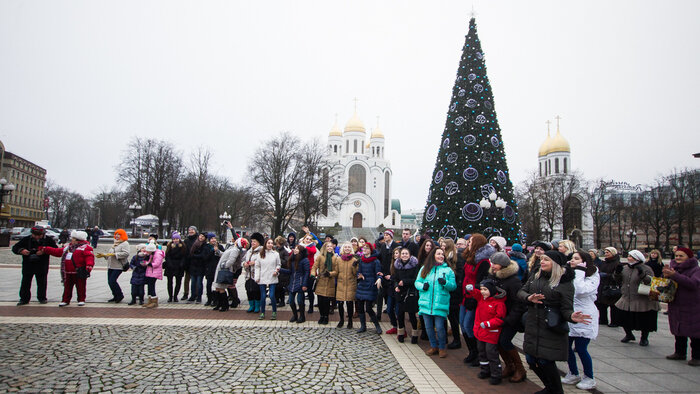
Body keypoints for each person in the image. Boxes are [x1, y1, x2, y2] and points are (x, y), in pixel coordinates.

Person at [518, 250, 591, 394]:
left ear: (556, 264)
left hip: (550, 325)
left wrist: (572, 316)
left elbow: (566, 308)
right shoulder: (536, 276)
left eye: (546, 260)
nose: (542, 262)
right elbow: (521, 292)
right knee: (531, 359)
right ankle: (549, 387)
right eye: (542, 259)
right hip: (533, 323)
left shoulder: (564, 282)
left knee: (546, 361)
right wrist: (528, 298)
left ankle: (555, 390)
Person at [561, 250, 600, 390]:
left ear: (584, 262)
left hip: (585, 315)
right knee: (566, 346)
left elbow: (579, 289)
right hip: (570, 313)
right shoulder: (570, 273)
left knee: (581, 348)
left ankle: (589, 377)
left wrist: (580, 271)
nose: (572, 260)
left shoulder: (592, 275)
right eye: (571, 258)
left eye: (576, 259)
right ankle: (573, 372)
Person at [487, 252, 527, 383]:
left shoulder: (513, 281)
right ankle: (509, 366)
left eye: (496, 264)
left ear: (503, 265)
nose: (493, 266)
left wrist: (509, 319)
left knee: (504, 341)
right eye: (492, 263)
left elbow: (518, 303)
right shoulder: (495, 277)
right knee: (497, 341)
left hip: (511, 318)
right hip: (498, 316)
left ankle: (520, 369)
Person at [415, 248, 457, 358]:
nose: (441, 256)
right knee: (428, 327)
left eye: (442, 254)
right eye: (438, 254)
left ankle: (442, 347)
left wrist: (446, 283)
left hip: (440, 303)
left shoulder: (448, 270)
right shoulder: (425, 268)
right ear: (433, 255)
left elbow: (453, 286)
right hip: (426, 302)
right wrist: (422, 286)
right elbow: (417, 282)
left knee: (439, 327)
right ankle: (434, 346)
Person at [461, 234, 495, 366]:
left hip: (474, 297)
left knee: (469, 325)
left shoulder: (483, 262)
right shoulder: (469, 258)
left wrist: (474, 289)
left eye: (470, 242)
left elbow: (483, 281)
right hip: (465, 296)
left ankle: (478, 353)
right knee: (463, 325)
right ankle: (472, 351)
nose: (468, 243)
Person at [663, 247, 700, 366]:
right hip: (676, 303)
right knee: (678, 329)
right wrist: (666, 276)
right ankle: (679, 352)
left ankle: (697, 357)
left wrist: (674, 275)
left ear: (688, 257)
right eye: (677, 256)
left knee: (695, 333)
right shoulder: (674, 268)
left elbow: (693, 284)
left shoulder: (696, 269)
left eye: (681, 256)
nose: (678, 258)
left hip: (692, 305)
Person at [613, 249, 659, 346]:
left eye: (631, 257)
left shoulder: (646, 268)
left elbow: (650, 282)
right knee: (623, 318)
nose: (629, 258)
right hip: (627, 297)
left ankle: (644, 338)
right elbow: (617, 280)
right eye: (629, 256)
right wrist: (617, 273)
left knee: (644, 320)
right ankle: (629, 334)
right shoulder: (625, 268)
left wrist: (642, 275)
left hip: (642, 299)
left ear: (638, 259)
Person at [465, 279, 506, 385]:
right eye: (482, 289)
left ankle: (496, 374)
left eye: (485, 289)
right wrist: (472, 289)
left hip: (491, 332)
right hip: (481, 332)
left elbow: (500, 318)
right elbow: (476, 293)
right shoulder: (482, 299)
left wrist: (488, 323)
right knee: (482, 352)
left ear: (492, 290)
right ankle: (485, 370)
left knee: (491, 353)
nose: (483, 291)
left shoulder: (498, 303)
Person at [42, 231, 95, 307]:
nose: (71, 240)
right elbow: (58, 252)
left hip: (79, 271)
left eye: (73, 238)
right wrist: (46, 249)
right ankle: (65, 300)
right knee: (67, 287)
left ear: (78, 240)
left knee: (80, 286)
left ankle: (81, 299)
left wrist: (89, 266)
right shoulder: (68, 247)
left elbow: (89, 257)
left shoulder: (86, 247)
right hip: (67, 271)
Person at [12, 226, 58, 305]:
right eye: (34, 235)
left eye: (39, 235)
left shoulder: (48, 240)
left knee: (42, 282)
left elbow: (55, 250)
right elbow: (15, 248)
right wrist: (21, 250)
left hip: (42, 264)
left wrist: (44, 251)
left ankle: (42, 298)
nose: (36, 237)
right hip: (28, 264)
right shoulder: (26, 239)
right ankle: (24, 299)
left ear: (43, 234)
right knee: (25, 282)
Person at [392, 247, 420, 343]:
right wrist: (396, 285)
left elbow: (416, 279)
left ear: (410, 255)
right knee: (400, 314)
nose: (404, 255)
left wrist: (405, 282)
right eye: (402, 253)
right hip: (400, 292)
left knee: (411, 314)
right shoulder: (397, 265)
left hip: (410, 292)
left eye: (406, 253)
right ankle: (401, 333)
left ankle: (415, 334)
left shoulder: (414, 265)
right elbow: (395, 278)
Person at [213, 237, 248, 311]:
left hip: (224, 270)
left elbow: (231, 260)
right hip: (221, 269)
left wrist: (224, 266)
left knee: (221, 287)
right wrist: (218, 251)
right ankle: (219, 304)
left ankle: (224, 305)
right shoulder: (233, 248)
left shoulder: (235, 250)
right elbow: (225, 255)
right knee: (217, 287)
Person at [441, 238, 463, 349]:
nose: (442, 247)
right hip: (445, 290)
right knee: (445, 315)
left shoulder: (455, 258)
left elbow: (459, 275)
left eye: (444, 245)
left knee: (453, 317)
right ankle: (444, 337)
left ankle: (457, 339)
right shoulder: (444, 257)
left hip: (454, 292)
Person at [356, 243, 382, 334]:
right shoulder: (361, 260)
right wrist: (359, 275)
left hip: (371, 286)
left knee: (368, 308)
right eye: (364, 248)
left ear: (371, 250)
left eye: (367, 248)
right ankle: (363, 326)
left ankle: (377, 325)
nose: (365, 250)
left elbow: (378, 273)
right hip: (362, 285)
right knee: (360, 307)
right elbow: (359, 272)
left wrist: (379, 279)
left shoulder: (375, 261)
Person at [98, 229, 130, 303]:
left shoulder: (125, 243)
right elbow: (110, 254)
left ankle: (120, 295)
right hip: (111, 265)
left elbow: (126, 253)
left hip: (118, 266)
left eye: (119, 234)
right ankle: (115, 296)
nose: (117, 236)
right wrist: (104, 255)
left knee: (112, 281)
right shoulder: (115, 243)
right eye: (116, 234)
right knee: (110, 282)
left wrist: (115, 254)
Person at [311, 242, 339, 324]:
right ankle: (321, 315)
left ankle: (326, 316)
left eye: (331, 246)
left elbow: (337, 271)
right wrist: (313, 274)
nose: (330, 247)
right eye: (328, 246)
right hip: (321, 280)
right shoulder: (320, 257)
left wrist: (330, 274)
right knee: (320, 301)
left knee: (327, 301)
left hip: (330, 281)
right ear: (325, 248)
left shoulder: (335, 258)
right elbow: (314, 267)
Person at [281, 244, 310, 323]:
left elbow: (307, 273)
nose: (295, 250)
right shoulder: (292, 259)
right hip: (292, 283)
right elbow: (290, 271)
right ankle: (295, 315)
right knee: (291, 301)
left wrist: (304, 284)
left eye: (297, 249)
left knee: (300, 301)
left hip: (300, 283)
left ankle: (302, 316)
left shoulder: (305, 260)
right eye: (295, 248)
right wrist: (280, 270)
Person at [254, 238, 281, 320]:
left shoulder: (275, 254)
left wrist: (276, 271)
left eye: (272, 243)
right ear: (265, 244)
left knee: (272, 295)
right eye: (268, 243)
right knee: (263, 296)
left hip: (272, 277)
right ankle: (262, 312)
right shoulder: (260, 254)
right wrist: (257, 277)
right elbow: (257, 266)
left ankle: (274, 311)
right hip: (263, 277)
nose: (270, 245)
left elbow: (278, 264)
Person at [377, 229, 400, 325]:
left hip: (392, 276)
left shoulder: (396, 246)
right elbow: (381, 259)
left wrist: (392, 275)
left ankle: (396, 320)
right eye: (384, 235)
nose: (385, 236)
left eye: (387, 235)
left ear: (391, 236)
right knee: (379, 295)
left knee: (393, 299)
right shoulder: (383, 246)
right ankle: (378, 315)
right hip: (383, 275)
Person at [335, 242, 358, 329]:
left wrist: (354, 267)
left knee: (349, 303)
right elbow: (336, 272)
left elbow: (355, 273)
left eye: (349, 247)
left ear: (351, 249)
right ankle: (341, 320)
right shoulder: (338, 260)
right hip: (341, 283)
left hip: (350, 284)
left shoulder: (354, 260)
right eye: (345, 247)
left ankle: (350, 321)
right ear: (343, 249)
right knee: (340, 303)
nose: (347, 249)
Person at [596, 247, 621, 326]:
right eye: (605, 252)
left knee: (613, 305)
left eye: (608, 252)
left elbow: (618, 275)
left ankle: (615, 321)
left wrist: (607, 275)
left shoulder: (617, 263)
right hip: (603, 285)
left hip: (612, 285)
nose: (606, 254)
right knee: (601, 304)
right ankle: (603, 319)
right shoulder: (604, 262)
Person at [243, 233, 264, 313]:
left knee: (256, 290)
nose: (252, 243)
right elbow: (243, 260)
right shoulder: (249, 251)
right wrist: (244, 264)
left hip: (256, 274)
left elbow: (264, 262)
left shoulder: (261, 251)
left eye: (254, 241)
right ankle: (251, 305)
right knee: (249, 290)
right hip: (248, 275)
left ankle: (257, 306)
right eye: (252, 241)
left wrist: (255, 263)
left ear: (258, 242)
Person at [188, 233, 211, 304]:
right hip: (193, 266)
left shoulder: (205, 246)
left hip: (200, 267)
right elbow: (190, 254)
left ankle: (199, 297)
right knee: (193, 283)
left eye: (203, 236)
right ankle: (193, 295)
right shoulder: (195, 244)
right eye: (200, 236)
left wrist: (195, 255)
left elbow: (203, 256)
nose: (201, 237)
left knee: (199, 282)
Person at [299, 231, 319, 315]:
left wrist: (303, 246)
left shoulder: (312, 247)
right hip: (301, 270)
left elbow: (312, 251)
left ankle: (311, 306)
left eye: (310, 239)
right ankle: (301, 306)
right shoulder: (299, 246)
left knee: (309, 290)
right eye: (307, 239)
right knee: (300, 290)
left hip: (310, 270)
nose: (308, 240)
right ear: (304, 239)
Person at [164, 232, 187, 302]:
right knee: (169, 282)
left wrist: (182, 264)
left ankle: (175, 296)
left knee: (178, 282)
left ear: (179, 239)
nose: (175, 240)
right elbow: (167, 256)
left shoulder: (183, 246)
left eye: (177, 239)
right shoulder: (169, 246)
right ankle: (170, 296)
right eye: (174, 239)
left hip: (179, 266)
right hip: (170, 266)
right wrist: (169, 263)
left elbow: (184, 256)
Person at [141, 243, 164, 308]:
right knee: (149, 285)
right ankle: (150, 300)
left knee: (151, 285)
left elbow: (156, 264)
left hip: (154, 272)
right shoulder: (151, 254)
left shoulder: (158, 254)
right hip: (150, 271)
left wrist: (148, 264)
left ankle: (154, 301)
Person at [204, 235, 224, 307]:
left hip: (218, 268)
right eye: (211, 239)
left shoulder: (220, 247)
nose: (213, 240)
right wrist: (212, 251)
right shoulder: (206, 247)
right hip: (210, 268)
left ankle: (216, 300)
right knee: (208, 285)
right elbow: (205, 258)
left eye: (214, 238)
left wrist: (217, 251)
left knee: (218, 285)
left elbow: (224, 256)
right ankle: (209, 299)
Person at [181, 226, 198, 301]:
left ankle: (196, 294)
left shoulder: (198, 240)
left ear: (195, 231)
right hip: (188, 262)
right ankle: (186, 293)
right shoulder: (186, 241)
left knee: (196, 280)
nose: (191, 231)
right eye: (189, 230)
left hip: (195, 262)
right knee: (187, 279)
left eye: (192, 230)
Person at [275, 236, 291, 308]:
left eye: (277, 243)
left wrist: (278, 259)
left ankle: (282, 301)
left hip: (283, 272)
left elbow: (287, 261)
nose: (276, 245)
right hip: (278, 271)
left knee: (281, 287)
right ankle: (277, 299)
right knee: (277, 287)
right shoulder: (277, 250)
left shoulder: (284, 251)